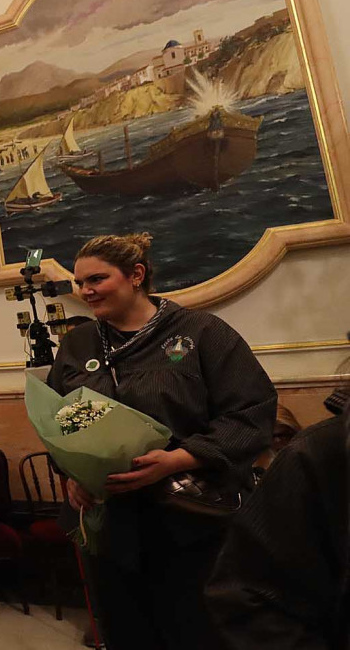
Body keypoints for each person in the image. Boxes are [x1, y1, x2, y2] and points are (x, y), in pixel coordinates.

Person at [47, 233, 276, 650]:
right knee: (126, 632)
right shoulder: (77, 344)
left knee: (195, 632)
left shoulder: (202, 332)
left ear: (136, 275)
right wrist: (73, 473)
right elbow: (63, 416)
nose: (86, 291)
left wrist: (180, 459)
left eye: (97, 279)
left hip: (189, 523)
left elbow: (251, 411)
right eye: (79, 283)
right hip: (109, 526)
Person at [205, 403, 348, 650]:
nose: (274, 447)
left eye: (281, 437)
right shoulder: (318, 455)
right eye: (271, 439)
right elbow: (249, 597)